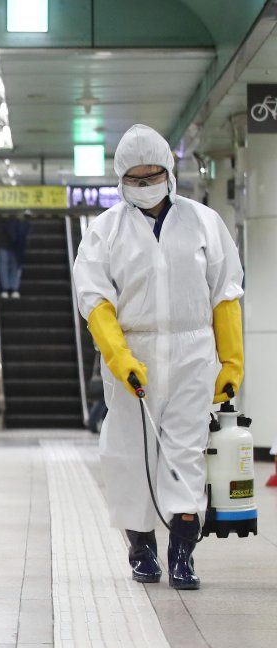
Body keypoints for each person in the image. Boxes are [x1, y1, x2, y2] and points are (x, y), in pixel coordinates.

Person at [72, 123, 243, 590]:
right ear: (120, 179)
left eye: (153, 175)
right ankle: (141, 547)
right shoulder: (104, 231)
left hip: (193, 351)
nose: (145, 186)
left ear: (170, 171)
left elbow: (226, 293)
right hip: (133, 353)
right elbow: (95, 300)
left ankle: (182, 551)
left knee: (186, 452)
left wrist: (231, 361)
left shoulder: (205, 222)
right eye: (135, 178)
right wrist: (119, 356)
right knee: (131, 453)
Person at [0, 217, 29, 298]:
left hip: (13, 240)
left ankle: (10, 288)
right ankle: (9, 288)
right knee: (6, 264)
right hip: (5, 239)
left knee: (9, 264)